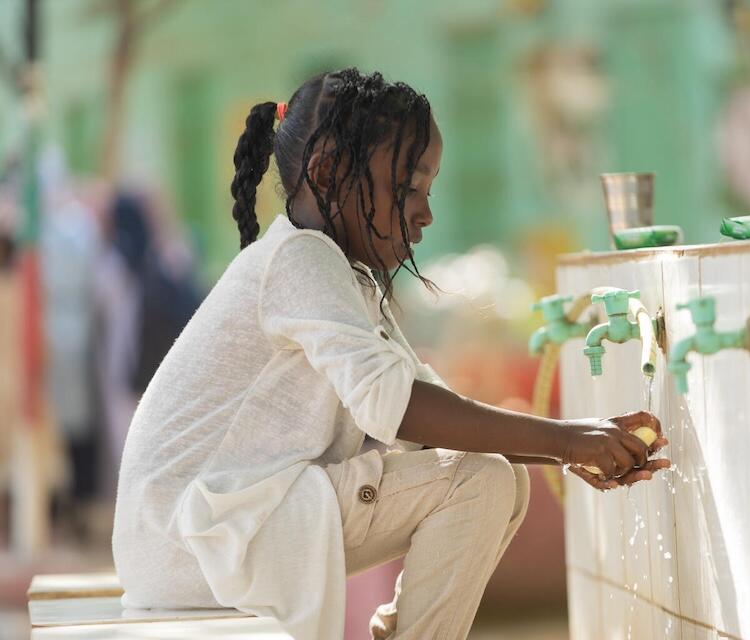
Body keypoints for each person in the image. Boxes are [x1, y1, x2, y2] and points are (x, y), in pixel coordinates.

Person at [111, 68, 671, 640]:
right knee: (480, 482)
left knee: (496, 478)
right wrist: (568, 439)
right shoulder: (300, 260)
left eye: (428, 192)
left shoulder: (344, 277)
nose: (425, 213)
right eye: (407, 189)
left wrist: (573, 447)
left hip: (204, 535)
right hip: (195, 541)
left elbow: (430, 420)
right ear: (328, 172)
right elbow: (399, 409)